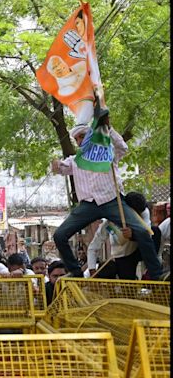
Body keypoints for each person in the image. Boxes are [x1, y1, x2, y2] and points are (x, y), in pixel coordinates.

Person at [51, 118, 164, 280]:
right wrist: (55, 164)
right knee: (59, 235)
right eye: (76, 139)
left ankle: (156, 274)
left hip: (112, 201)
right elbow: (61, 168)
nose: (79, 141)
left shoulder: (108, 151)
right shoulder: (75, 160)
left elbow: (122, 147)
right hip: (88, 205)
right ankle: (76, 273)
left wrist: (109, 129)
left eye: (82, 136)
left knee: (143, 231)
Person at [87, 192, 154, 280]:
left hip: (139, 248)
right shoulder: (109, 222)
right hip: (122, 256)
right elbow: (94, 246)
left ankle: (153, 273)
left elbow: (148, 234)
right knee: (127, 285)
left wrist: (133, 235)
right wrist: (92, 269)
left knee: (155, 232)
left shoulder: (143, 211)